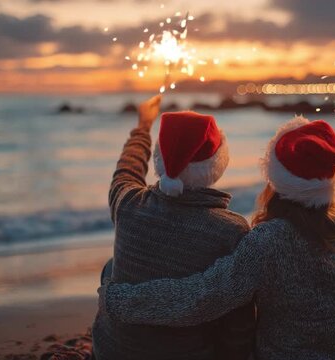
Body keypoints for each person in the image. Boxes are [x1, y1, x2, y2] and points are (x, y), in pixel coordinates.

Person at [98, 111, 335, 360]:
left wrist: (119, 299)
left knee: (112, 269)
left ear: (275, 178)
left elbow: (202, 296)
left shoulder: (264, 242)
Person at [92, 95, 256, 360]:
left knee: (112, 268)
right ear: (218, 164)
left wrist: (143, 125)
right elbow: (238, 321)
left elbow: (127, 168)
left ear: (159, 160)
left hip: (110, 352)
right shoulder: (231, 231)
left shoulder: (128, 204)